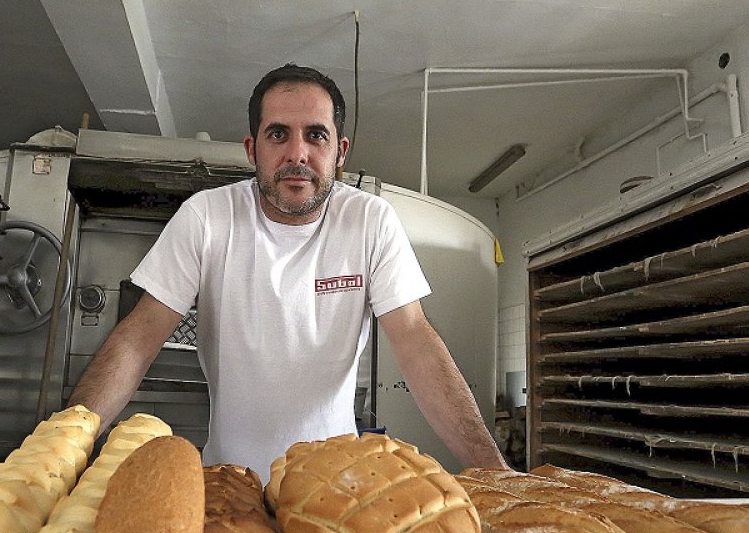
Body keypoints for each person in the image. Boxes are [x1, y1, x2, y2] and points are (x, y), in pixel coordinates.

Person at [68, 63, 508, 477]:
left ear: (340, 151)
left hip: (334, 483)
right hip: (230, 481)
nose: (297, 154)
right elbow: (139, 337)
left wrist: (495, 472)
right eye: (278, 134)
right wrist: (65, 450)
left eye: (316, 135)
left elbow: (414, 341)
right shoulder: (206, 218)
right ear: (251, 149)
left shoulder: (370, 221)